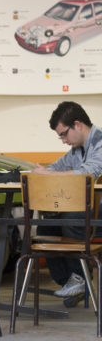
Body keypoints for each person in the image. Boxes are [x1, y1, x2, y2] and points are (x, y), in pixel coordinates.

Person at [33, 101, 102, 305]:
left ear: (78, 125)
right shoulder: (76, 150)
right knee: (48, 223)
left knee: (71, 217)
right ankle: (70, 282)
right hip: (89, 208)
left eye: (64, 134)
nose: (63, 140)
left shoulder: (100, 142)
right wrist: (40, 173)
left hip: (98, 208)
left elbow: (88, 173)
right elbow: (57, 167)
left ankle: (80, 277)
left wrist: (49, 174)